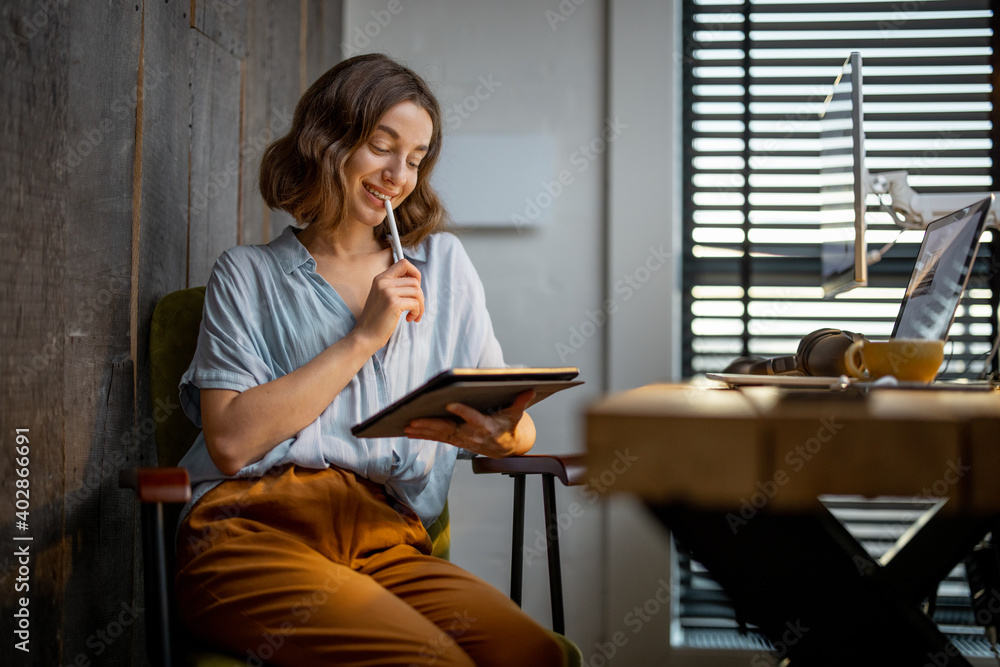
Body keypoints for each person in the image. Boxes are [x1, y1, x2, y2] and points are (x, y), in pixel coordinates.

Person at [172, 53, 567, 666]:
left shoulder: (444, 267)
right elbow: (228, 443)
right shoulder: (247, 274)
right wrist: (364, 336)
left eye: (415, 159)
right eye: (381, 147)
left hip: (385, 537)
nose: (397, 175)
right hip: (249, 530)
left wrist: (504, 433)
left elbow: (510, 414)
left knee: (534, 655)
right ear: (327, 141)